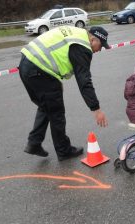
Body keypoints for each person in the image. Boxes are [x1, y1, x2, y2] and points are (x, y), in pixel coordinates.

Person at [19, 25, 110, 161]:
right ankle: (64, 151)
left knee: (46, 106)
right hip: (40, 70)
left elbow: (54, 53)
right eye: (100, 45)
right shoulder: (83, 47)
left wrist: (56, 80)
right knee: (56, 112)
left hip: (27, 64)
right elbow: (84, 81)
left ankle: (34, 143)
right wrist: (96, 109)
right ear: (92, 39)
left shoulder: (76, 34)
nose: (99, 50)